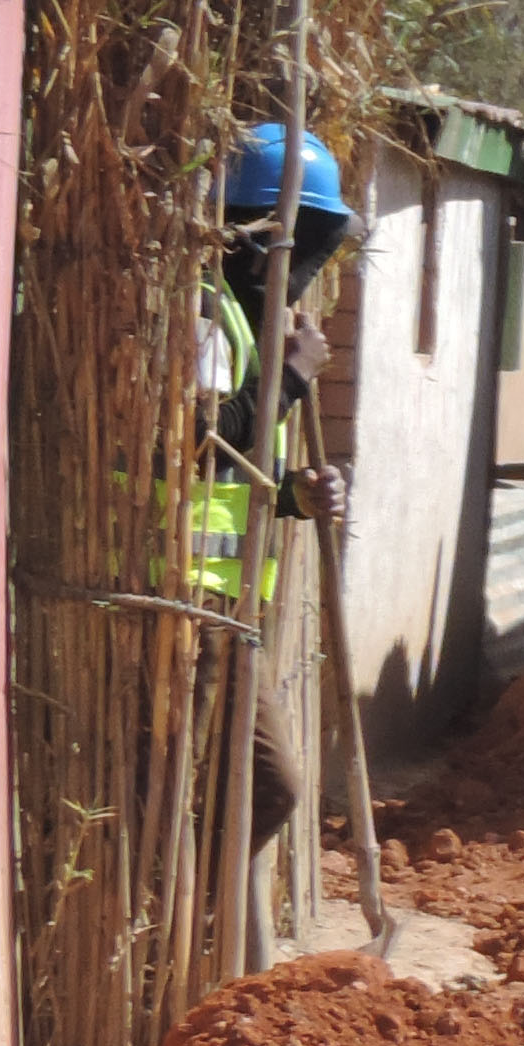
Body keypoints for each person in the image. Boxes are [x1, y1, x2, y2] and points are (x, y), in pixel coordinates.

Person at [195, 123, 353, 881]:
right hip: (183, 604)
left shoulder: (250, 323)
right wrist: (291, 378)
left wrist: (297, 496)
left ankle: (199, 929)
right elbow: (201, 442)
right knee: (271, 787)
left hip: (225, 608)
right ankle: (185, 924)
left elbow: (236, 479)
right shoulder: (202, 312)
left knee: (256, 790)